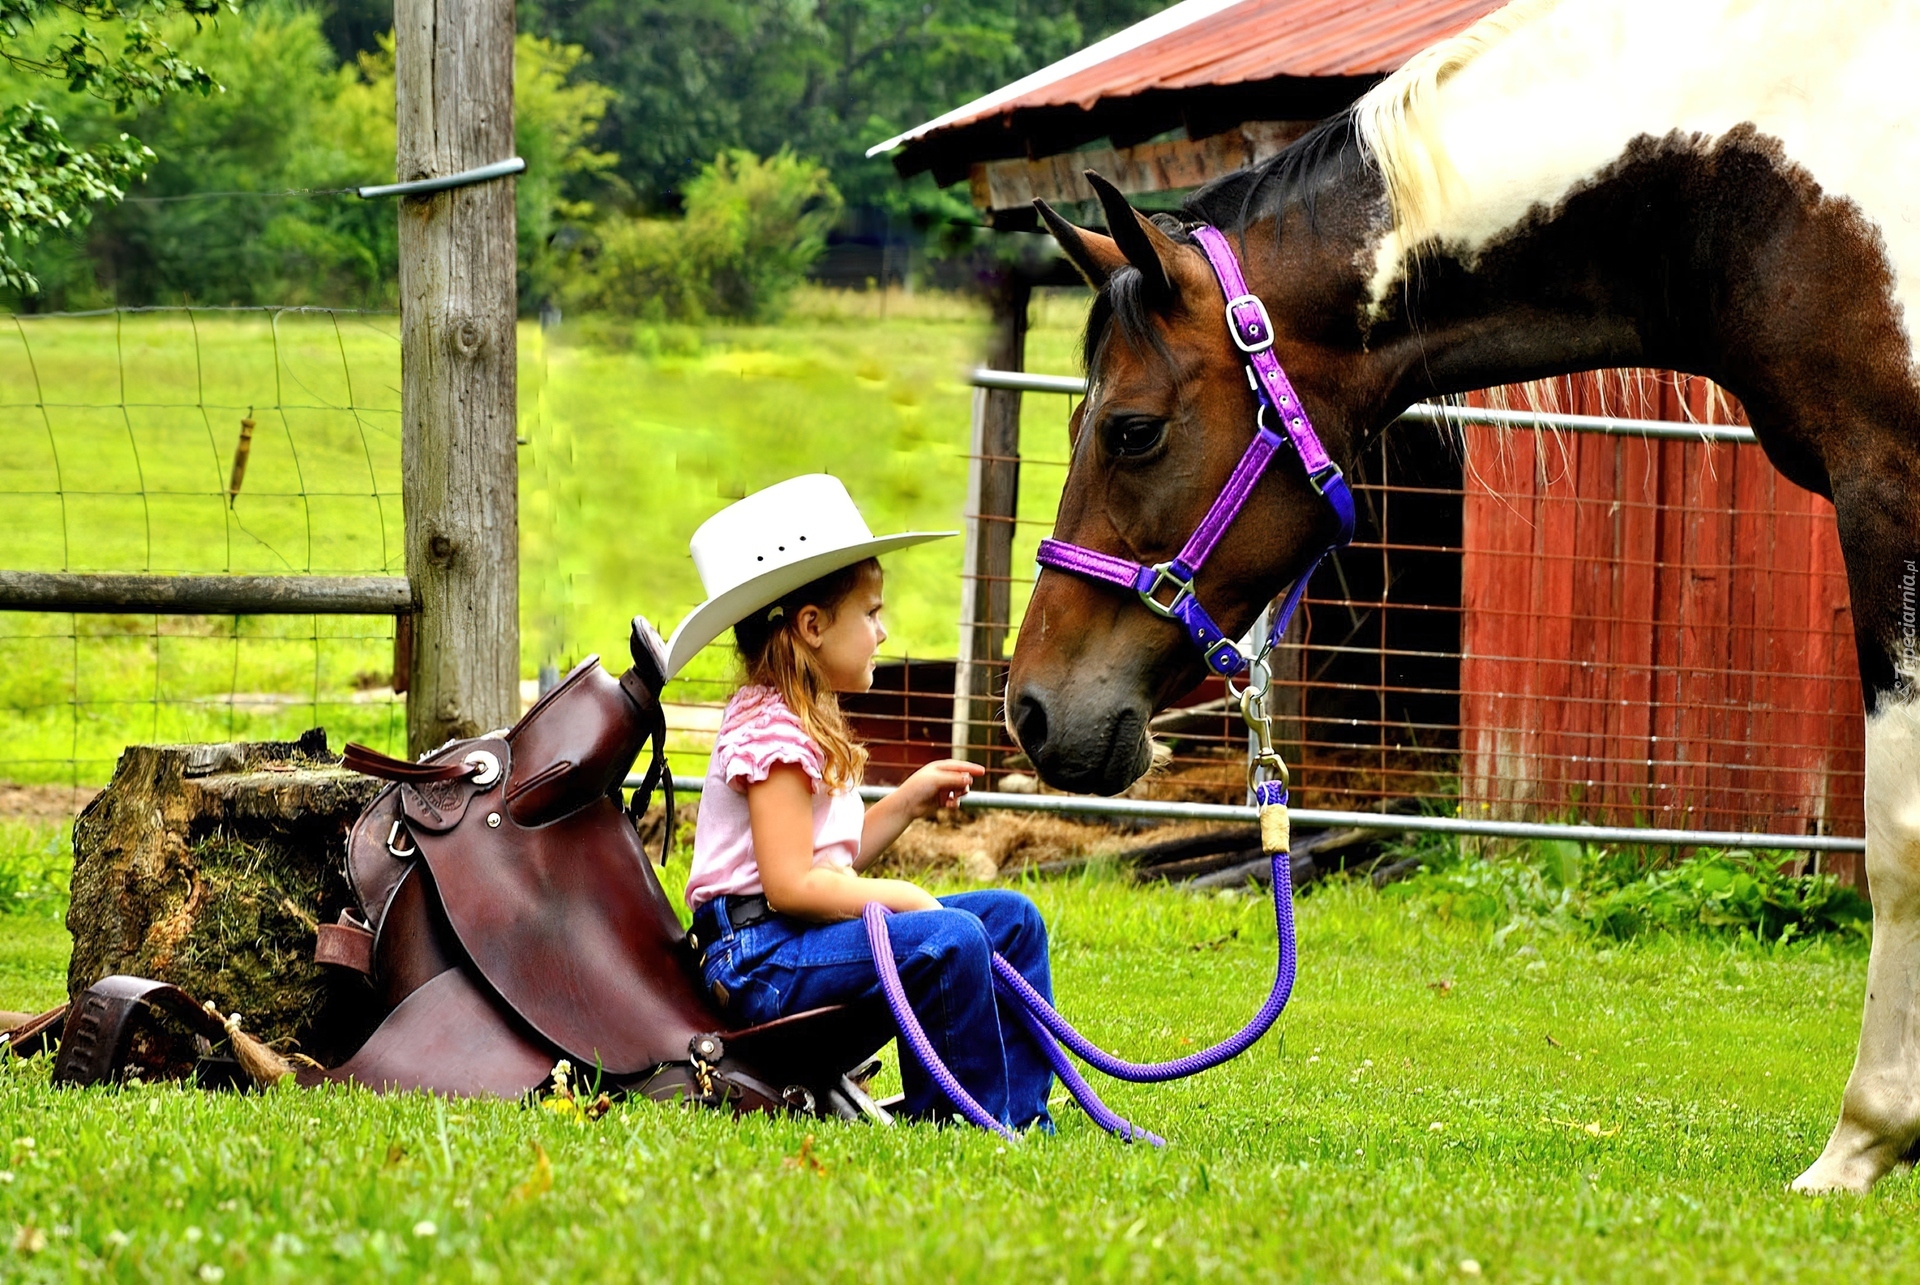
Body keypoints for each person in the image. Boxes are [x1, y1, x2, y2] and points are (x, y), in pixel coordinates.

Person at [662, 474, 1056, 1131]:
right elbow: (791, 886)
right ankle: (961, 1122)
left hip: (797, 937)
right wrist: (896, 893)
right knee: (945, 936)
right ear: (813, 625)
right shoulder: (772, 729)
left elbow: (826, 866)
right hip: (761, 958)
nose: (883, 630)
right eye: (871, 613)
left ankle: (1019, 1114)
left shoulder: (804, 715)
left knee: (1013, 919)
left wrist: (903, 803)